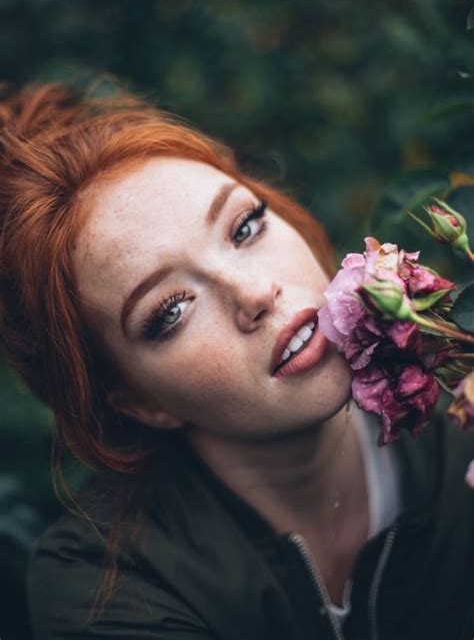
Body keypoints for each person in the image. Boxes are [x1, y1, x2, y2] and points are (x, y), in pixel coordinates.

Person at [1, 80, 473, 640]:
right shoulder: (108, 588)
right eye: (170, 310)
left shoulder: (458, 420)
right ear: (139, 401)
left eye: (245, 227)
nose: (254, 293)